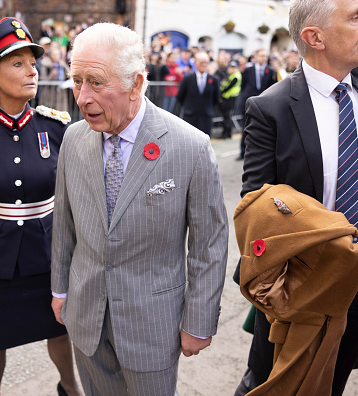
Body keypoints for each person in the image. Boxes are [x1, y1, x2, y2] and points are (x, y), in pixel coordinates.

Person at [234, 0, 358, 395]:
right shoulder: (271, 108)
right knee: (272, 382)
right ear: (314, 37)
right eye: (357, 16)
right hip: (303, 275)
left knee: (333, 380)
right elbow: (256, 204)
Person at [51, 22, 229, 396]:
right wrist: (61, 288)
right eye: (77, 80)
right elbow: (64, 224)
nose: (82, 97)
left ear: (136, 83)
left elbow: (209, 243)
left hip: (152, 326)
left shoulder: (189, 147)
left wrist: (198, 321)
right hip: (86, 319)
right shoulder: (72, 138)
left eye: (96, 82)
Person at [0, 17, 81, 396]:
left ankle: (70, 387)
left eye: (33, 63)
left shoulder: (55, 127)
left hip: (47, 249)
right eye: (18, 64)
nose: (31, 71)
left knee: (58, 327)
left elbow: (68, 190)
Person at [236, 48, 276, 160]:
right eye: (261, 55)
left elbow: (271, 87)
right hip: (248, 102)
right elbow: (243, 86)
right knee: (245, 128)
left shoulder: (270, 71)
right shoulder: (248, 70)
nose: (264, 58)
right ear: (256, 57)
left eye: (265, 56)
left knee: (262, 129)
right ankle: (243, 152)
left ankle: (259, 153)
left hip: (263, 104)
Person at [176, 51, 220, 137]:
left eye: (206, 62)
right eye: (201, 62)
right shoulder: (187, 79)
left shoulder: (214, 80)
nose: (204, 65)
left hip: (206, 116)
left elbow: (216, 98)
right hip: (190, 116)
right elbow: (180, 96)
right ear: (196, 63)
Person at [219, 60, 241, 139]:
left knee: (227, 116)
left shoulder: (236, 76)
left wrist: (220, 93)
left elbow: (228, 87)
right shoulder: (232, 75)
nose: (231, 69)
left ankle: (227, 133)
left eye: (233, 67)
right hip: (228, 98)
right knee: (227, 116)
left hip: (230, 98)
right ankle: (227, 132)